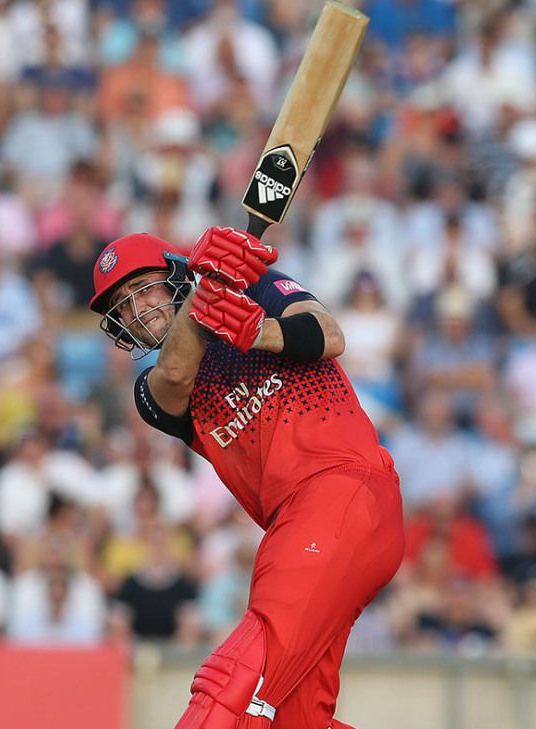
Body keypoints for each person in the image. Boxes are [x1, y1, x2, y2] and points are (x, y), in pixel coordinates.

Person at [88, 228, 404, 729]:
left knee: (232, 687)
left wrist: (259, 331)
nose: (135, 310)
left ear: (174, 274)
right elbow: (176, 374)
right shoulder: (152, 391)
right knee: (294, 720)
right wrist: (206, 299)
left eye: (141, 289)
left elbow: (330, 336)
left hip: (341, 492)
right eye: (121, 307)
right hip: (295, 530)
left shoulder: (253, 285)